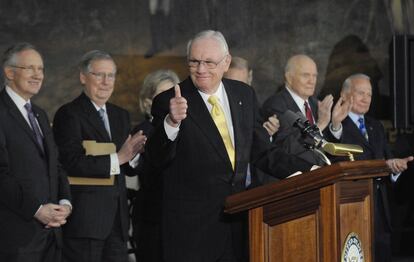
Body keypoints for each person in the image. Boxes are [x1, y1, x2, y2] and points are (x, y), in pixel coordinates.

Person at [145, 30, 313, 262]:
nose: (201, 69)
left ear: (226, 62)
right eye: (194, 62)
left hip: (241, 226)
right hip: (192, 235)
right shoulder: (169, 101)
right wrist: (172, 122)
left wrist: (311, 171)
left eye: (209, 62)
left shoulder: (243, 94)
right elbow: (156, 158)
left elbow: (261, 150)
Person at [52, 50, 146, 262]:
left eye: (111, 75)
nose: (106, 82)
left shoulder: (120, 115)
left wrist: (135, 154)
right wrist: (118, 158)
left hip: (118, 223)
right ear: (83, 77)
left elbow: (128, 167)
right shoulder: (69, 114)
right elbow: (71, 162)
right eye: (99, 75)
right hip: (86, 223)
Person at [326, 73, 413, 262]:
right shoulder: (335, 123)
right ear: (345, 94)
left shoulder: (376, 126)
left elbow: (386, 162)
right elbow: (332, 151)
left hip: (380, 214)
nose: (366, 99)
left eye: (369, 94)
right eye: (360, 93)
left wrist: (395, 169)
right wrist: (335, 124)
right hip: (351, 210)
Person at [0, 42, 71, 262]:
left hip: (51, 236)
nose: (37, 75)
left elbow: (55, 165)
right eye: (29, 68)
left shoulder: (39, 114)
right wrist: (36, 209)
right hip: (15, 236)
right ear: (9, 72)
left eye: (40, 69)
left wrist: (65, 203)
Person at [132, 69, 179, 262]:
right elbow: (140, 169)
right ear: (148, 100)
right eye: (162, 96)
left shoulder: (184, 130)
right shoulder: (143, 131)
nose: (169, 102)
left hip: (179, 218)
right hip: (153, 218)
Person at [261, 54, 341, 167]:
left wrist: (335, 125)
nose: (312, 81)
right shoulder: (276, 105)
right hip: (294, 177)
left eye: (314, 76)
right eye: (306, 75)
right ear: (289, 77)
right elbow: (288, 147)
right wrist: (320, 125)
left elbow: (328, 147)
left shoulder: (317, 104)